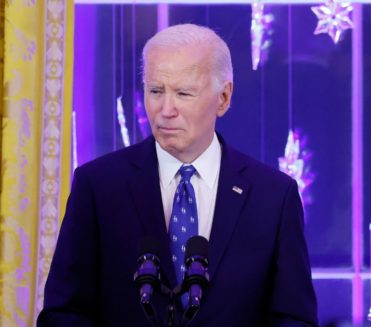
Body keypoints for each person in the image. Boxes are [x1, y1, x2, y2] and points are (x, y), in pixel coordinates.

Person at [38, 24, 317, 326]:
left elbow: (294, 318)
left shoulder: (273, 197)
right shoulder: (98, 186)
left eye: (184, 93)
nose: (165, 109)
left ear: (223, 98)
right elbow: (62, 313)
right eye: (155, 91)